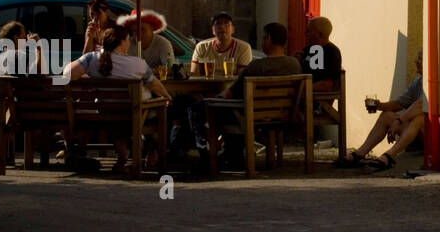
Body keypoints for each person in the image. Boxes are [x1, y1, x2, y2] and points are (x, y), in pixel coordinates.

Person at [190, 23, 300, 169]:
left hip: (250, 116)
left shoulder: (256, 67)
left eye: (263, 38)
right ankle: (233, 155)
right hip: (282, 115)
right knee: (235, 108)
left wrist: (211, 99)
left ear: (268, 39)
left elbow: (228, 94)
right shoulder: (294, 64)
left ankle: (207, 157)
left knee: (198, 108)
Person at [64, 24, 171, 172]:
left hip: (106, 115)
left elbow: (67, 74)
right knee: (158, 107)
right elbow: (154, 84)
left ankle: (123, 157)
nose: (129, 42)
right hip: (135, 115)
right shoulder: (138, 64)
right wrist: (166, 96)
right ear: (122, 42)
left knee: (115, 117)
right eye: (128, 39)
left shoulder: (91, 60)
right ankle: (154, 153)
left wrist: (88, 75)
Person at [335, 49, 425, 172]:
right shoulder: (418, 81)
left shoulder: (435, 82)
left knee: (419, 118)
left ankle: (389, 156)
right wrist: (379, 106)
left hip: (431, 134)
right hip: (415, 132)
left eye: (420, 59)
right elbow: (399, 103)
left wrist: (399, 120)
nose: (416, 61)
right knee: (387, 115)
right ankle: (359, 154)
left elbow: (421, 105)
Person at [298, 16, 342, 93]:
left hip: (315, 99)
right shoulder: (308, 49)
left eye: (309, 31)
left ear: (319, 35)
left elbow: (327, 85)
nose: (305, 34)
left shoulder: (332, 52)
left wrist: (299, 89)